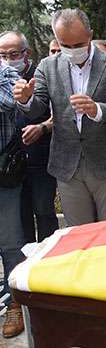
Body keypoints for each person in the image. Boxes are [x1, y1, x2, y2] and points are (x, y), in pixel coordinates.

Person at [13, 8, 106, 226]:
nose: (72, 50)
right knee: (78, 236)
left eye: (78, 45)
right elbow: (37, 108)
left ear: (90, 35)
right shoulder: (47, 66)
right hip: (67, 164)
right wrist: (25, 99)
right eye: (65, 45)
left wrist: (97, 110)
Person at [0, 31, 57, 244]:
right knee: (18, 218)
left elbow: (61, 114)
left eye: (13, 54)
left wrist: (42, 127)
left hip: (40, 158)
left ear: (27, 53)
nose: (7, 60)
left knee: (44, 212)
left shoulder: (41, 74)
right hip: (10, 163)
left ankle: (48, 263)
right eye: (2, 55)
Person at [0, 64, 23, 338]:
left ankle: (14, 305)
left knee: (10, 243)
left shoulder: (6, 72)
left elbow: (12, 103)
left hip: (3, 171)